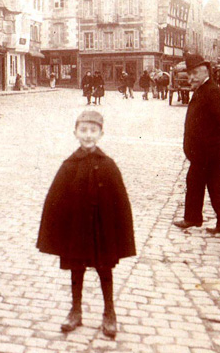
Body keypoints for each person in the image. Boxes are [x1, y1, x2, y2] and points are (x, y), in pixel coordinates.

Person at [37, 110, 135, 338]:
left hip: (101, 229)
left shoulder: (108, 164)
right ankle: (75, 310)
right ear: (75, 133)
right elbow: (55, 199)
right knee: (76, 268)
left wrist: (119, 233)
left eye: (93, 131)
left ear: (101, 133)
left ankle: (109, 312)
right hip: (77, 229)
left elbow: (121, 201)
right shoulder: (69, 165)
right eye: (83, 130)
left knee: (104, 269)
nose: (88, 135)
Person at [173, 54, 220, 235]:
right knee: (195, 182)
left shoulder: (211, 91)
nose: (190, 78)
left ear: (205, 71)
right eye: (189, 74)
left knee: (212, 185)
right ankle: (195, 218)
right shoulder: (203, 89)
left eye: (194, 74)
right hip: (202, 151)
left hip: (208, 151)